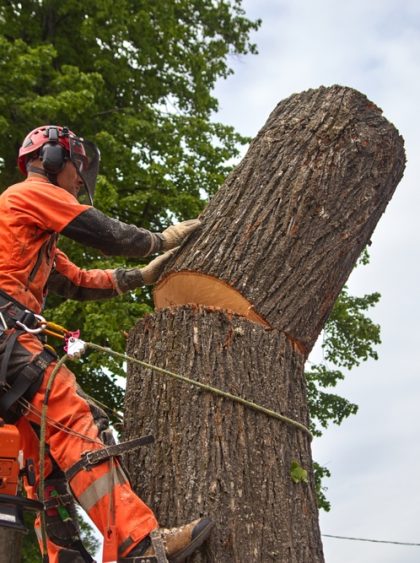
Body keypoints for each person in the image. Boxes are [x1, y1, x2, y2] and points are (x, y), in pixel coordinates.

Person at [0, 125, 213, 562]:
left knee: (42, 458)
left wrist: (141, 276)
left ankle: (66, 558)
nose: (79, 181)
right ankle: (139, 545)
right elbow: (104, 232)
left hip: (7, 345)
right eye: (77, 170)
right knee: (76, 421)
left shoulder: (27, 225)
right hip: (9, 339)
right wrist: (160, 239)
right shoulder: (30, 194)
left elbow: (75, 280)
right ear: (54, 160)